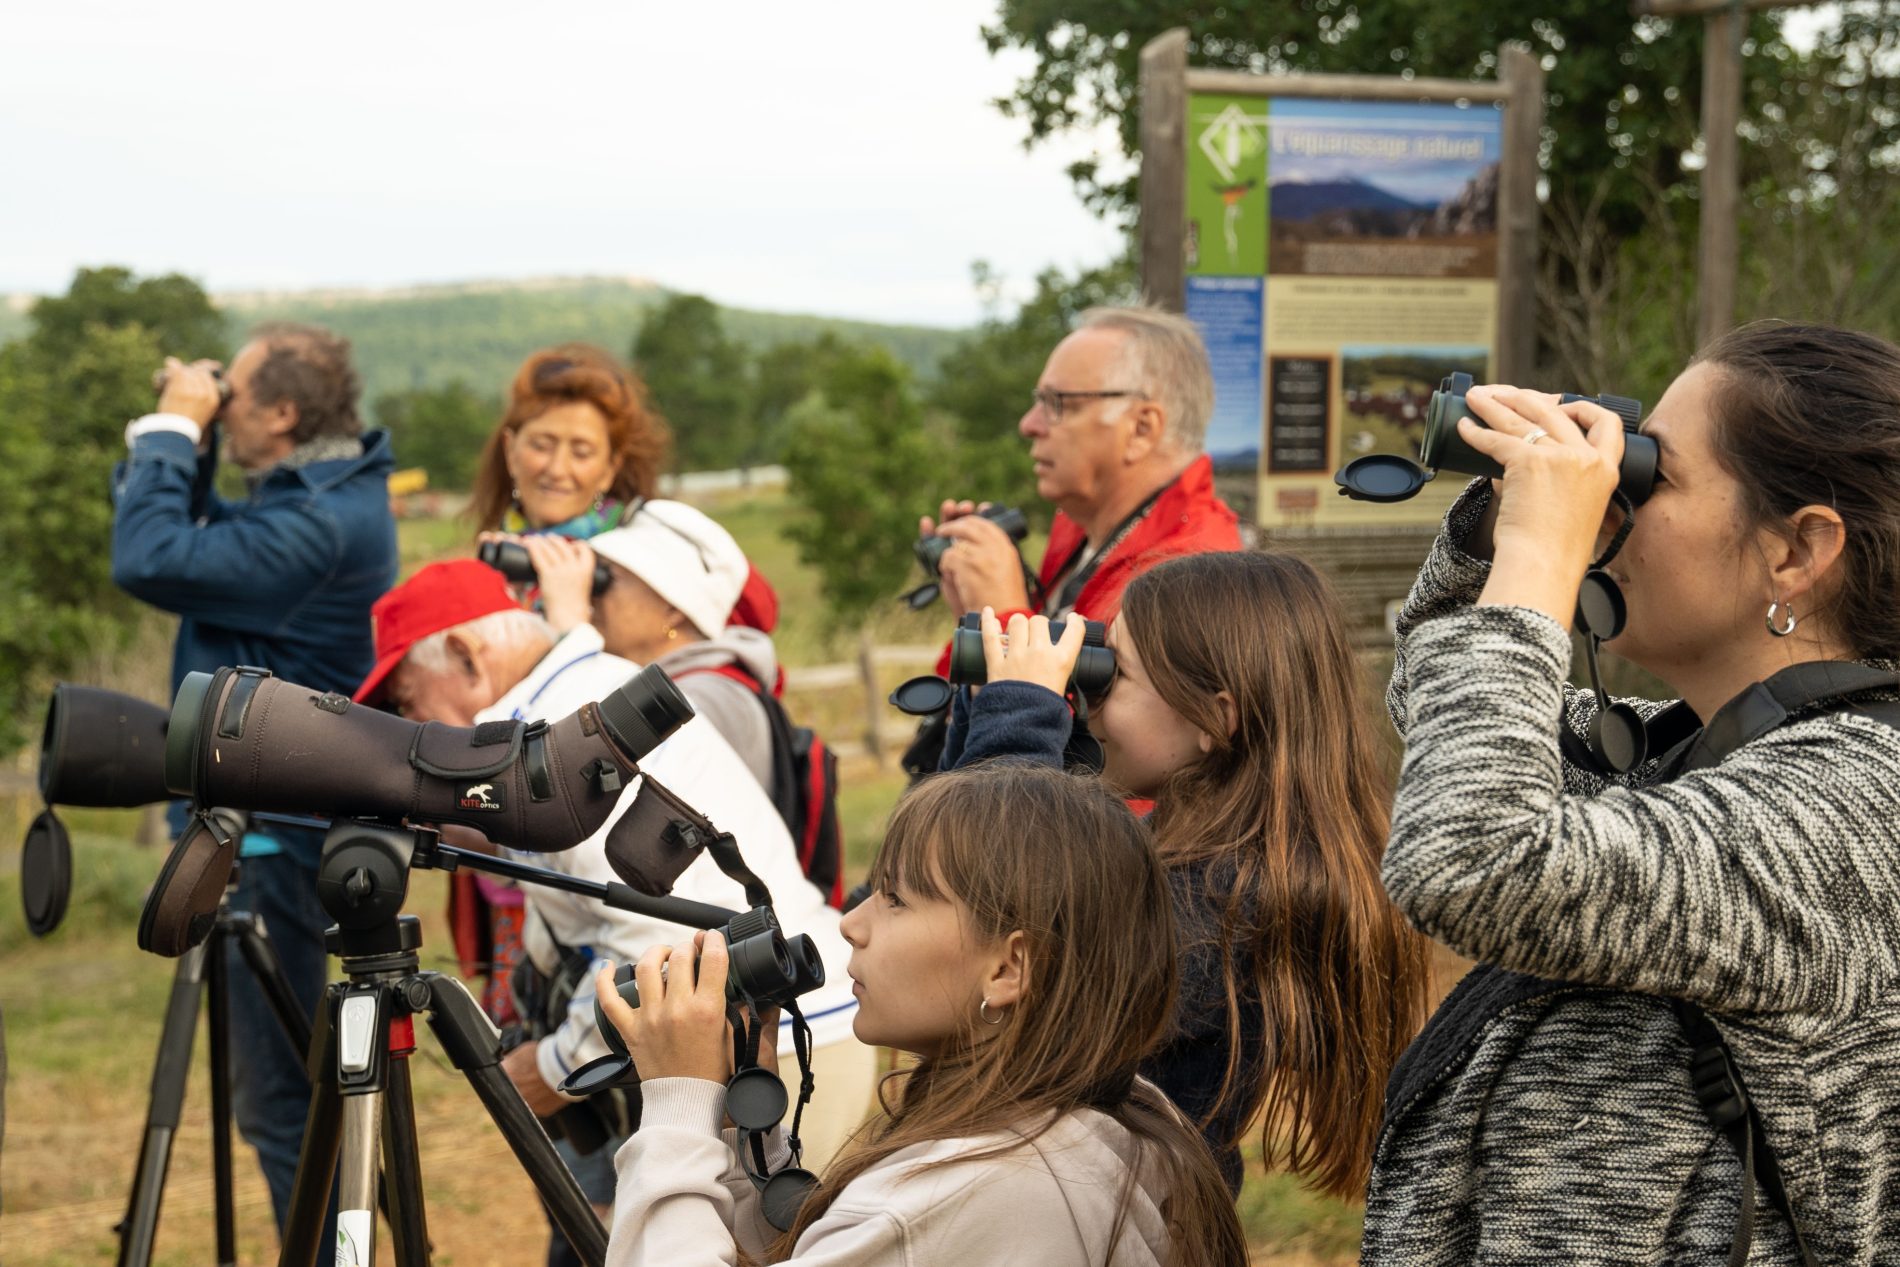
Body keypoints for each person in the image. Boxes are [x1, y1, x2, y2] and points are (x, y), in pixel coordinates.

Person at [1363, 323, 1900, 1264]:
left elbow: (1472, 856)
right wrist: (1504, 525)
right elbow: (1447, 709)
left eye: (1654, 474)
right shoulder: (1692, 751)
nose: (1614, 495)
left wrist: (1545, 546)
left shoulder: (1857, 802)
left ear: (1797, 552)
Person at [354, 560, 875, 1262]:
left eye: (409, 698)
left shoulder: (565, 735)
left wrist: (557, 1062)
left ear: (467, 655)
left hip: (772, 1054)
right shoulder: (574, 706)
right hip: (757, 1037)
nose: (410, 722)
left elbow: (650, 933)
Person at [598, 762, 1250, 1266]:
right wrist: (748, 1131)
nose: (852, 923)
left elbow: (902, 1229)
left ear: (1007, 968)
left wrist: (678, 1103)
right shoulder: (1115, 1113)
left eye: (896, 898)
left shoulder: (969, 1193)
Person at [940, 552, 1432, 1194]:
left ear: (1215, 718)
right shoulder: (1193, 860)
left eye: (1113, 675)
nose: (1090, 704)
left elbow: (986, 939)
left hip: (1116, 1224)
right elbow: (943, 879)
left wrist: (1019, 724)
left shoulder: (1222, 903)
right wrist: (994, 717)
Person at [110, 322, 396, 1243]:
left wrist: (165, 431)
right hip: (267, 837)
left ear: (278, 411)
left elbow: (150, 558)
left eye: (229, 394)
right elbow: (199, 539)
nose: (219, 405)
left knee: (286, 1107)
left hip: (277, 850)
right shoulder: (320, 501)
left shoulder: (315, 524)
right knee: (293, 1101)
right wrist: (183, 440)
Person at [921, 305, 1242, 629]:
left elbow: (1089, 682)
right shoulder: (1085, 526)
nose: (1028, 424)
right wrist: (973, 615)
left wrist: (1005, 620)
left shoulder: (1193, 581)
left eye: (1057, 403)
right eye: (1038, 402)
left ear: (1141, 429)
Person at [490, 499, 780, 793]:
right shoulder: (657, 681)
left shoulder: (710, 697)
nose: (592, 595)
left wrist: (570, 623)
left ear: (673, 608)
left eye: (607, 579)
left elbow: (585, 785)